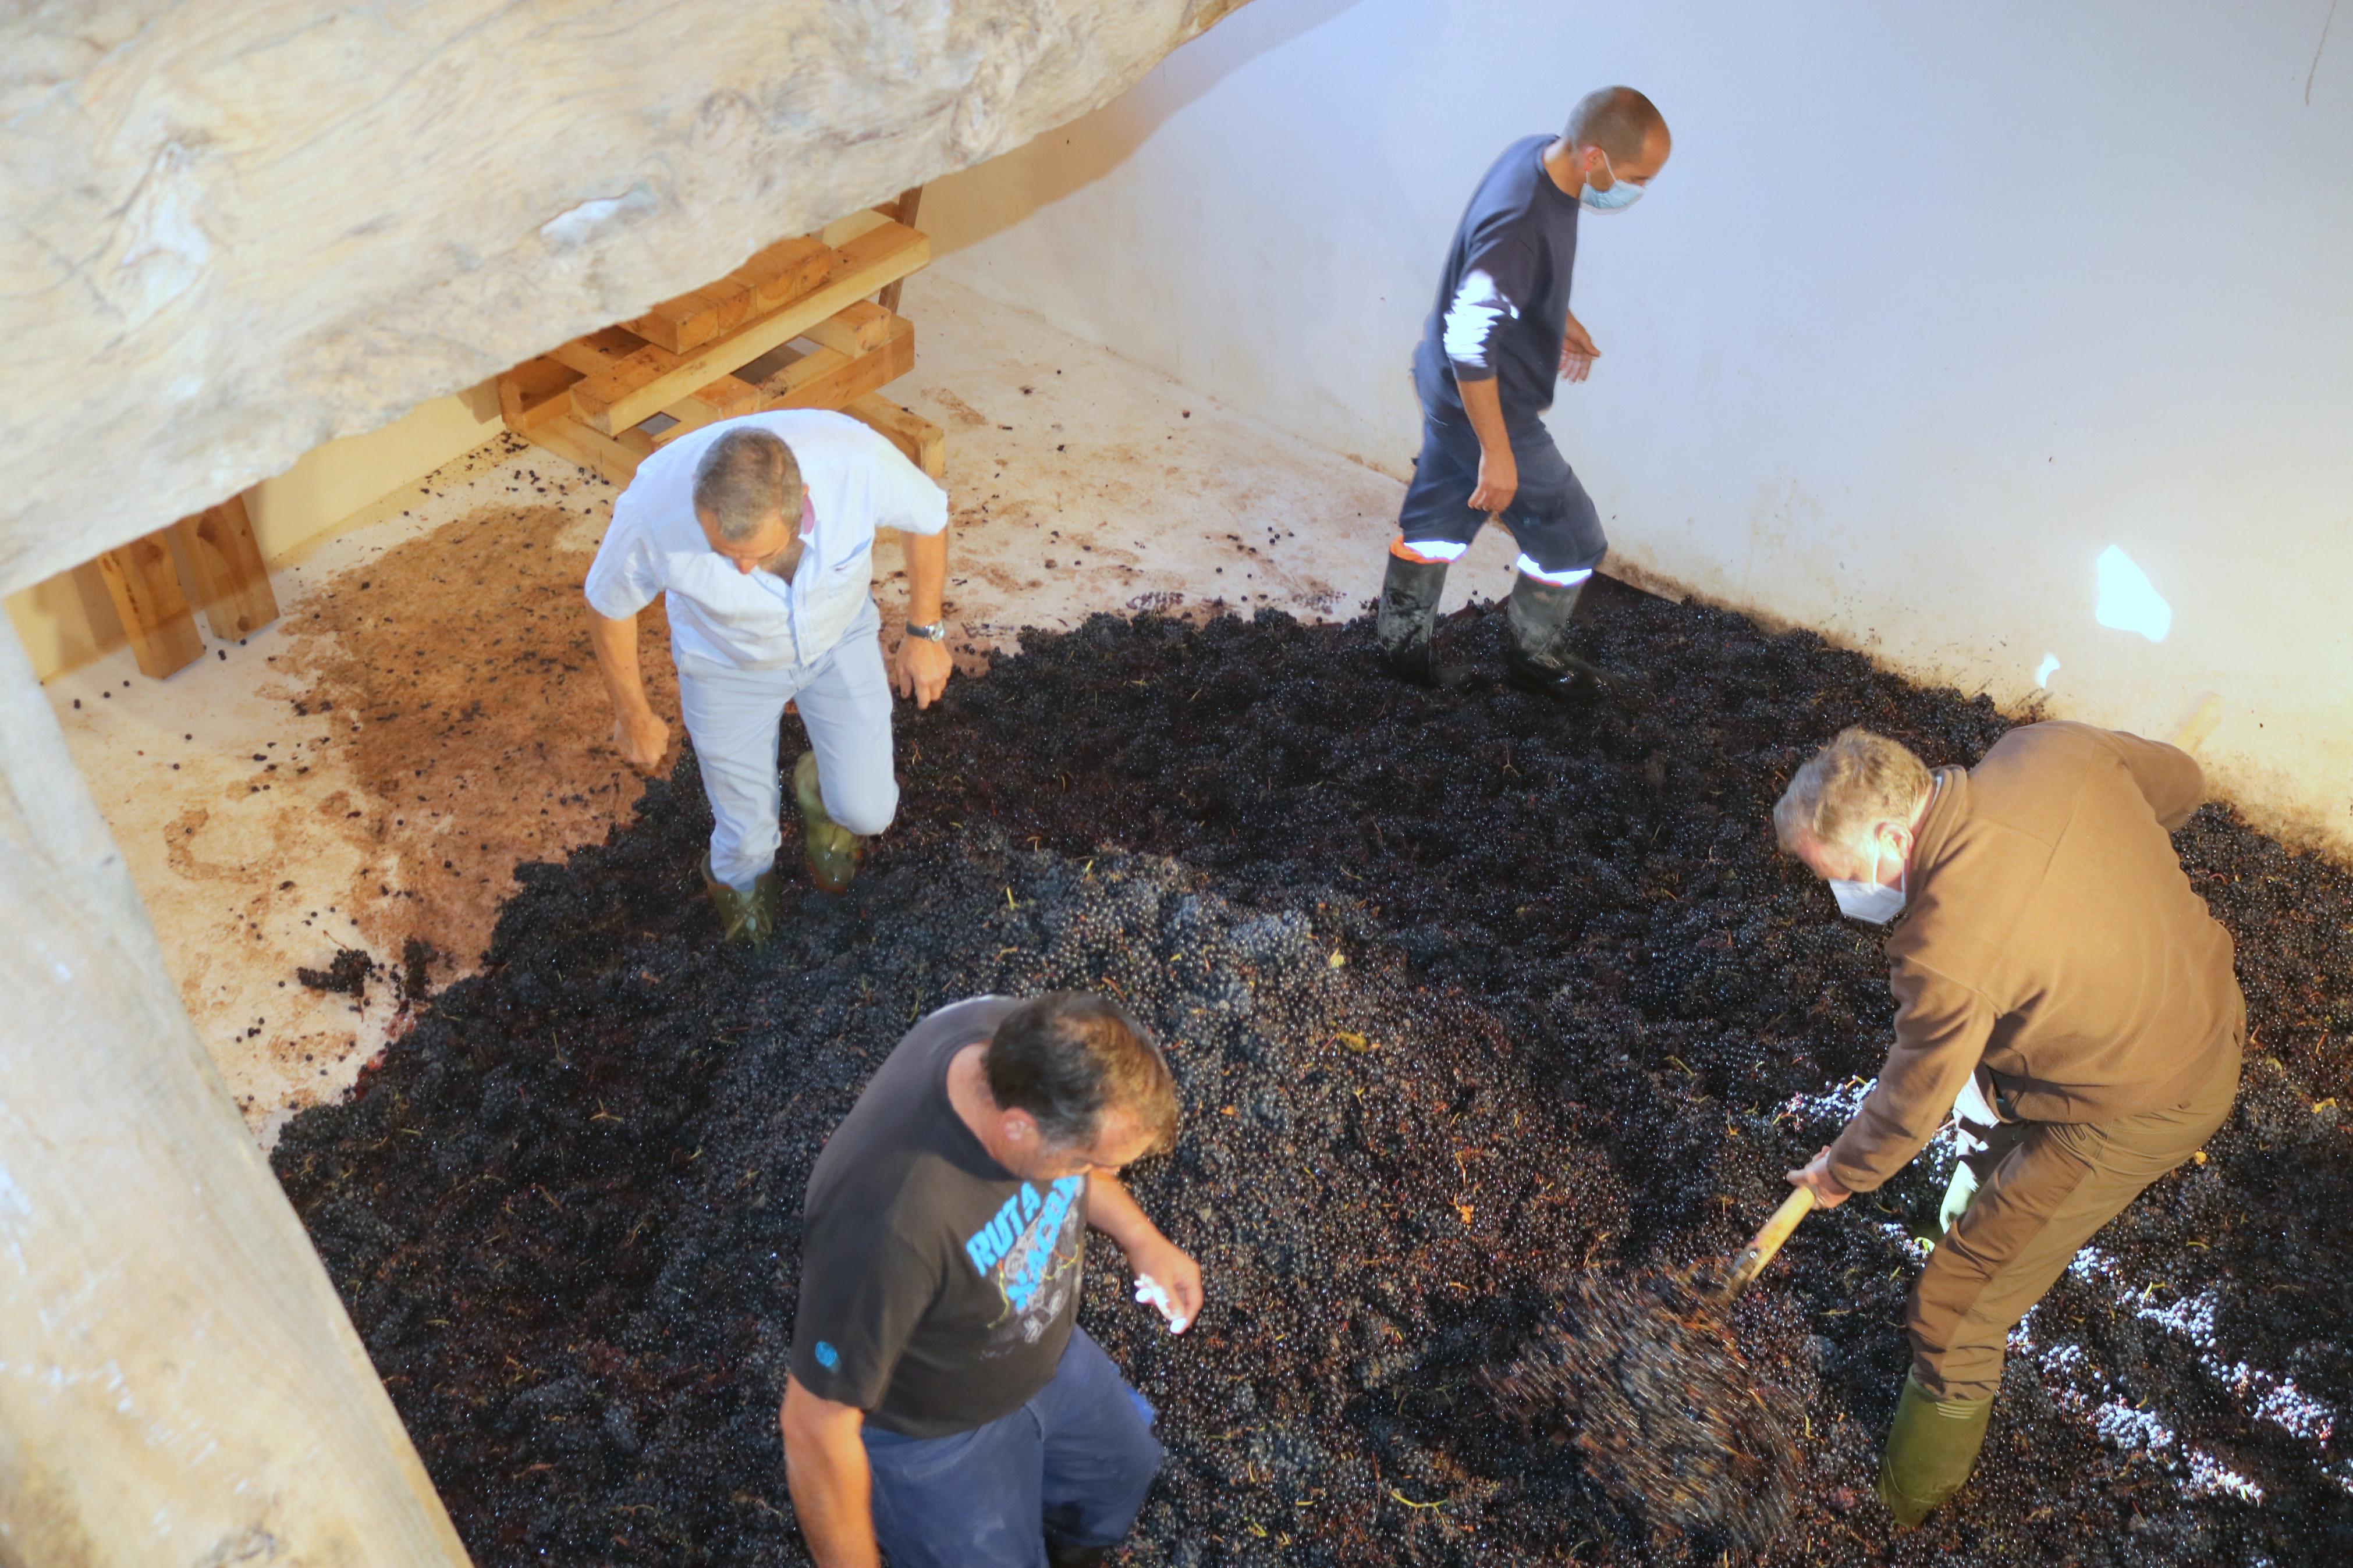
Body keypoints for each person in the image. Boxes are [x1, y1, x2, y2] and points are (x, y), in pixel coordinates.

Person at [1774, 723, 2243, 1527]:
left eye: (1844, 875)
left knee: (1954, 1305)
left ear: (1891, 836)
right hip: (2204, 1000)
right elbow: (2181, 783)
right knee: (1989, 1070)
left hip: (2142, 1101)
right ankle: (1971, 1197)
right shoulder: (2049, 750)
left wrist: (1838, 1173)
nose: (1844, 897)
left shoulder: (1943, 948)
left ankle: (1901, 1511)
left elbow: (1910, 1097)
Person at [779, 992, 1202, 1568]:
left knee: (1119, 1475)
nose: (1110, 1177)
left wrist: (1142, 1239)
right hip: (933, 1435)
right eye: (1091, 1163)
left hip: (1041, 1354)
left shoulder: (1017, 1038)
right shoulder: (892, 1227)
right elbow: (814, 1428)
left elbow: (1078, 1165)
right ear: (1018, 1128)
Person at [583, 410, 954, 944]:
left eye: (759, 554)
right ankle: (747, 915)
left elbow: (929, 514)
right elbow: (607, 604)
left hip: (837, 638)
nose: (741, 570)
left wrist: (924, 631)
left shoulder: (853, 461)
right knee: (746, 840)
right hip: (725, 665)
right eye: (724, 554)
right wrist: (632, 715)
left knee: (870, 811)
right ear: (697, 495)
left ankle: (820, 789)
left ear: (801, 497)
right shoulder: (654, 510)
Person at [1379, 85, 1670, 700]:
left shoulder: (1536, 158)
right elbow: (1468, 337)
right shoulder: (1520, 225)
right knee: (1571, 535)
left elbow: (1502, 281)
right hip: (1483, 403)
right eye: (1638, 177)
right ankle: (1535, 658)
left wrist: (1557, 319)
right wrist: (1497, 450)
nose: (1639, 191)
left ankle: (1399, 654)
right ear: (1594, 157)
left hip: (1443, 382)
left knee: (1436, 518)